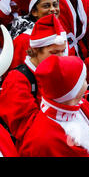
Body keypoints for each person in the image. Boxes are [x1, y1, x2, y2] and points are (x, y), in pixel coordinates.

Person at [19, 55, 89, 157]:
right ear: (73, 90)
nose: (87, 83)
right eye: (83, 80)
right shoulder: (44, 140)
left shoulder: (79, 105)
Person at [0, 14, 67, 151]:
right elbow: (27, 129)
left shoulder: (58, 71)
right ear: (35, 51)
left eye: (63, 51)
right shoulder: (17, 80)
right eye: (54, 52)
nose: (61, 58)